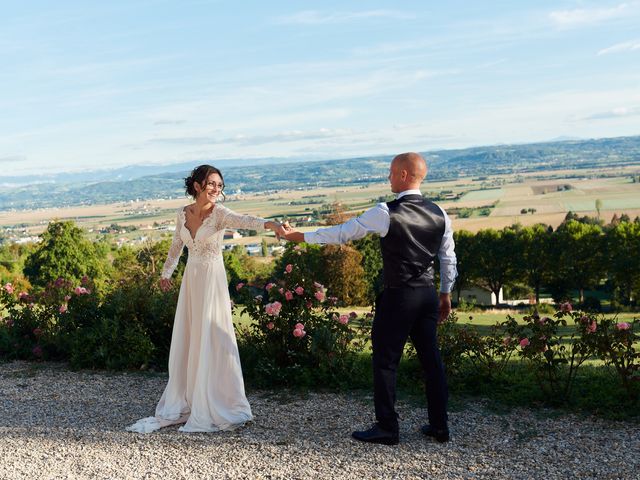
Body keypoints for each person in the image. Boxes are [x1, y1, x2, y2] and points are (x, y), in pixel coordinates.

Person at [282, 152, 457, 445]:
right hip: (427, 295)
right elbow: (448, 258)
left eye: (391, 172)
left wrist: (298, 236)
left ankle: (388, 427)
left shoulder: (385, 212)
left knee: (386, 362)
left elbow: (342, 234)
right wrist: (445, 294)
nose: (388, 177)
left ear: (403, 175)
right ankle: (440, 426)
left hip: (399, 297)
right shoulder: (440, 212)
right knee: (432, 362)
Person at [127, 165, 286, 433]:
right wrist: (167, 273)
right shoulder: (183, 213)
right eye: (211, 184)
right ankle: (189, 395)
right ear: (198, 185)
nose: (216, 189)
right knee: (191, 334)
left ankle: (218, 399)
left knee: (211, 334)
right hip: (192, 279)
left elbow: (244, 220)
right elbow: (177, 245)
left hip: (212, 280)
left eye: (220, 186)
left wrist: (271, 224)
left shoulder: (220, 213)